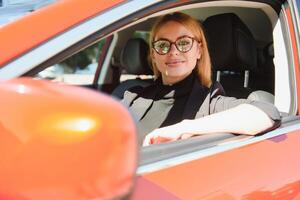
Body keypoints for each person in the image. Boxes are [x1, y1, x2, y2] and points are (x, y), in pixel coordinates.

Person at [122, 12, 281, 146]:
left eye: (184, 43)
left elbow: (267, 114)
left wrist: (182, 128)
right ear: (154, 55)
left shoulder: (209, 101)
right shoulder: (133, 96)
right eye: (163, 45)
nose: (174, 51)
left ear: (199, 51)